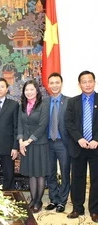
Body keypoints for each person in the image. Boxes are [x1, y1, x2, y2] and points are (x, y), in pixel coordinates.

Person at [65, 70, 98, 222]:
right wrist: (79, 138)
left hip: (96, 146)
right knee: (77, 178)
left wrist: (96, 140)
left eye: (90, 81)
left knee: (96, 179)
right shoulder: (72, 102)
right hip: (78, 146)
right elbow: (69, 123)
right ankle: (77, 208)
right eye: (84, 82)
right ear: (79, 85)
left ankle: (95, 210)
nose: (87, 84)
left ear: (94, 82)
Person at [17, 79, 50, 214]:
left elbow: (43, 126)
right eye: (26, 90)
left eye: (31, 89)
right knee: (31, 173)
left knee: (39, 174)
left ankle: (38, 201)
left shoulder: (43, 105)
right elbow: (20, 125)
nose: (29, 92)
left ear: (37, 91)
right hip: (25, 145)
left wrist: (29, 140)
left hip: (39, 144)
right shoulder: (22, 106)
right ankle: (33, 199)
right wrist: (20, 141)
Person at [44, 73, 70, 213]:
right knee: (50, 172)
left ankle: (62, 201)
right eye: (52, 83)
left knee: (65, 172)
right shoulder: (44, 102)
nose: (54, 85)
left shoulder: (69, 101)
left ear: (61, 83)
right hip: (48, 143)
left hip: (63, 143)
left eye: (57, 82)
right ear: (48, 85)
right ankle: (54, 199)